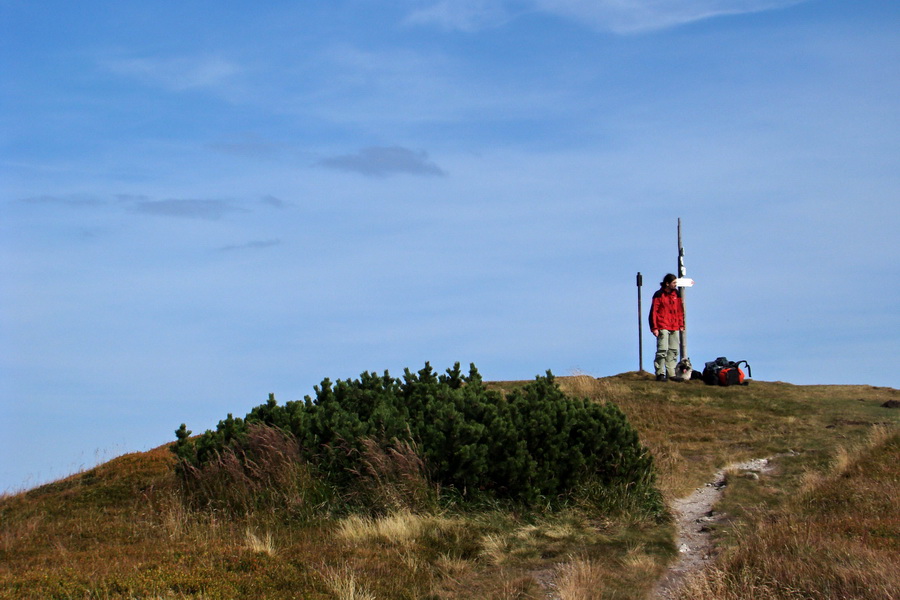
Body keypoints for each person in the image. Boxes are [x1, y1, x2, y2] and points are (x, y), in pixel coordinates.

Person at [649, 273, 685, 382]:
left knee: (673, 350)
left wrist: (681, 324)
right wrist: (654, 327)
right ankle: (660, 373)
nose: (675, 284)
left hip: (675, 326)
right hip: (662, 325)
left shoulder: (677, 294)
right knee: (662, 350)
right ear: (667, 283)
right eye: (674, 282)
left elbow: (680, 310)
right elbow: (654, 312)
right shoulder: (659, 294)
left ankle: (671, 373)